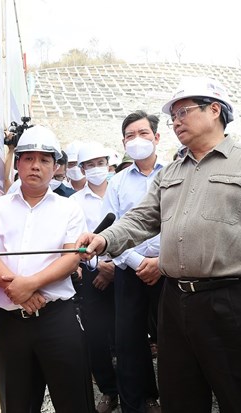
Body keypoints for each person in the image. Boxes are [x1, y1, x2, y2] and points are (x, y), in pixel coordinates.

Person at [77, 76, 241, 413]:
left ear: (215, 110)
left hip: (235, 300)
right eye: (173, 116)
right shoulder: (169, 174)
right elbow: (141, 219)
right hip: (175, 302)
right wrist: (105, 238)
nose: (176, 120)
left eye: (183, 111)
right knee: (180, 395)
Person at [0, 125, 94, 412]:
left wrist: (28, 284)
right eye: (28, 159)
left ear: (56, 167)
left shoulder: (69, 209)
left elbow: (70, 258)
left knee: (74, 400)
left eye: (44, 160)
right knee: (17, 403)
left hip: (58, 319)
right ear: (17, 163)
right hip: (11, 323)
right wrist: (19, 291)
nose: (35, 166)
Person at [102, 110, 164, 413]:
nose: (137, 140)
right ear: (123, 143)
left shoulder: (175, 173)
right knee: (129, 341)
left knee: (173, 340)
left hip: (171, 269)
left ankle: (172, 397)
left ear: (157, 137)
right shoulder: (116, 183)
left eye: (143, 133)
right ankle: (135, 403)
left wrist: (161, 262)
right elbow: (111, 229)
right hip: (130, 270)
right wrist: (139, 261)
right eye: (130, 135)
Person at [70, 142, 119, 413]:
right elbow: (77, 242)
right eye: (90, 164)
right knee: (97, 338)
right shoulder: (75, 202)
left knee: (129, 336)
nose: (96, 169)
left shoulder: (119, 191)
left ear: (108, 164)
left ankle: (143, 392)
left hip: (128, 271)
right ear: (82, 169)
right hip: (93, 275)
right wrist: (100, 267)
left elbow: (135, 228)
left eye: (100, 163)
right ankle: (109, 391)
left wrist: (115, 267)